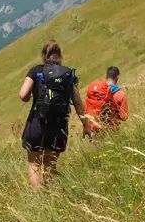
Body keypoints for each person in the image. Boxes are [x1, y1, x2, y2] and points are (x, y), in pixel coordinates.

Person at [19, 41, 91, 189]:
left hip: (37, 123)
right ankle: (51, 196)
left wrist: (29, 97)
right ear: (60, 55)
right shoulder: (68, 74)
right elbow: (77, 102)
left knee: (34, 163)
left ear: (44, 55)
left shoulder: (35, 71)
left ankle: (40, 201)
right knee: (50, 164)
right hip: (59, 126)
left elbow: (23, 94)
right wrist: (85, 125)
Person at [85, 66, 129, 132]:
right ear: (117, 78)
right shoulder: (120, 95)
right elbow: (124, 117)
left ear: (106, 76)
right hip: (112, 130)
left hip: (95, 128)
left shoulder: (97, 92)